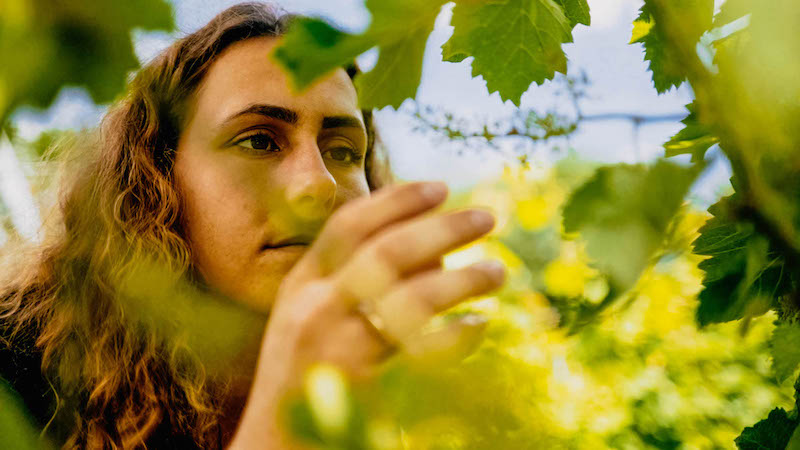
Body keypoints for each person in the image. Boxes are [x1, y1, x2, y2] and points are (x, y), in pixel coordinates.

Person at [0, 3, 505, 448]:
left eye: (343, 151)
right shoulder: (17, 370)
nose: (319, 184)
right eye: (259, 141)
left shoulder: (378, 390)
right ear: (157, 178)